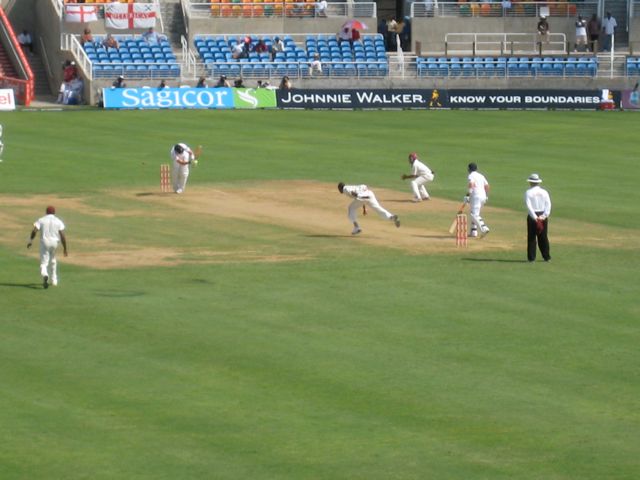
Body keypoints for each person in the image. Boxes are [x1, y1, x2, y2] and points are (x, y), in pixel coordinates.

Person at [27, 206, 68, 289]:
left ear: (46, 212)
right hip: (55, 243)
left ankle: (45, 275)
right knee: (53, 260)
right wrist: (65, 248)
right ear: (54, 212)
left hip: (44, 242)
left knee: (44, 262)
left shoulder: (41, 220)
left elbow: (34, 231)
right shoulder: (58, 221)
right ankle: (54, 280)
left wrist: (30, 241)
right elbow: (62, 235)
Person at [524, 173, 551, 262]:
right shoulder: (544, 192)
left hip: (533, 216)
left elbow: (529, 206)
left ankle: (531, 258)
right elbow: (548, 205)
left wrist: (535, 217)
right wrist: (543, 216)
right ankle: (546, 257)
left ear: (530, 183)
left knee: (532, 237)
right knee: (543, 236)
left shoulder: (528, 192)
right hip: (542, 215)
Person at [464, 162, 490, 237]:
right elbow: (487, 186)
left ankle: (484, 228)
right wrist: (486, 195)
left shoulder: (471, 175)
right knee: (475, 213)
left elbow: (471, 184)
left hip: (476, 196)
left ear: (469, 169)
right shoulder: (481, 175)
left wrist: (468, 195)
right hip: (483, 196)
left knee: (474, 215)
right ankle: (473, 232)